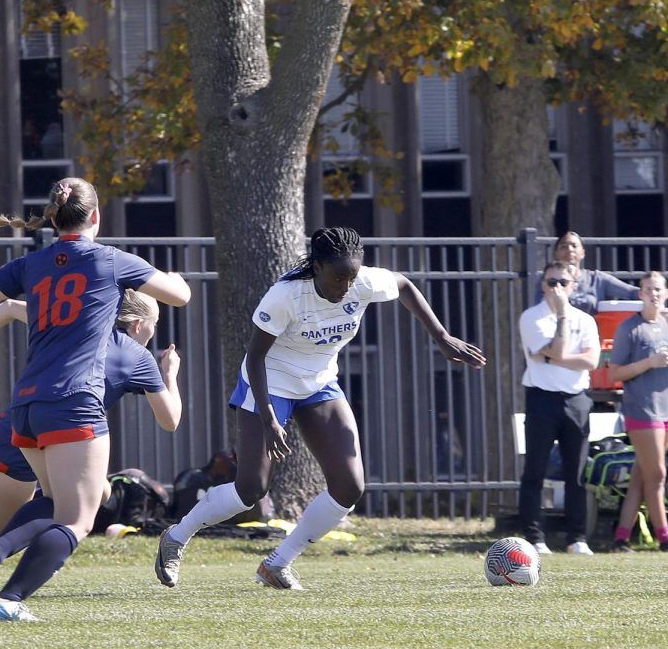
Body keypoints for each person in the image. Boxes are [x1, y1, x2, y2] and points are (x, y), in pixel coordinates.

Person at [154, 227, 486, 590]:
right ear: (316, 266)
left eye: (352, 276)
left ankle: (277, 563)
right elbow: (256, 359)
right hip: (269, 381)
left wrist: (442, 337)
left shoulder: (362, 282)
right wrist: (267, 416)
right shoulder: (285, 296)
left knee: (349, 486)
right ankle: (176, 536)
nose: (345, 286)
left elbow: (404, 285)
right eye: (338, 276)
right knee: (251, 488)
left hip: (318, 382)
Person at [0, 179, 191, 622]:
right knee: (78, 519)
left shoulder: (34, 264)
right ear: (97, 218)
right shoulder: (111, 261)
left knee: (50, 500)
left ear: (52, 218)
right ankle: (9, 599)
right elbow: (179, 296)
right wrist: (177, 280)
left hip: (26, 405)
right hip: (75, 401)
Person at [0, 290, 182, 606]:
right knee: (69, 507)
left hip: (17, 425)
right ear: (137, 325)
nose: (153, 332)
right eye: (154, 324)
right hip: (61, 431)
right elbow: (171, 420)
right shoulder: (138, 357)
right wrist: (170, 374)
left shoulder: (72, 324)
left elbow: (11, 306)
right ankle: (8, 594)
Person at [516, 260, 601, 555]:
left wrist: (554, 357)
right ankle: (534, 537)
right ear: (543, 285)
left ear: (573, 285)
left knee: (576, 472)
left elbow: (591, 361)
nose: (557, 288)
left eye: (563, 283)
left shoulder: (586, 320)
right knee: (535, 470)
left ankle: (576, 537)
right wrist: (562, 320)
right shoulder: (532, 317)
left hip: (577, 399)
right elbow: (558, 350)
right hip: (542, 398)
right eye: (552, 282)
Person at [608, 270, 668, 553]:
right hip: (642, 411)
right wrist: (650, 362)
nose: (653, 294)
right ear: (641, 294)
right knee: (657, 474)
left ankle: (621, 537)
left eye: (658, 289)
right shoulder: (629, 328)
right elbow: (614, 373)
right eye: (648, 289)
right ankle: (666, 537)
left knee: (642, 475)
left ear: (667, 294)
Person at [536, 230, 639, 314]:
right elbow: (539, 306)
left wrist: (651, 292)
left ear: (583, 253)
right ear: (556, 253)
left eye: (574, 246)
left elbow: (631, 292)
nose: (569, 250)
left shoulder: (597, 279)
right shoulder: (548, 279)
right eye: (564, 247)